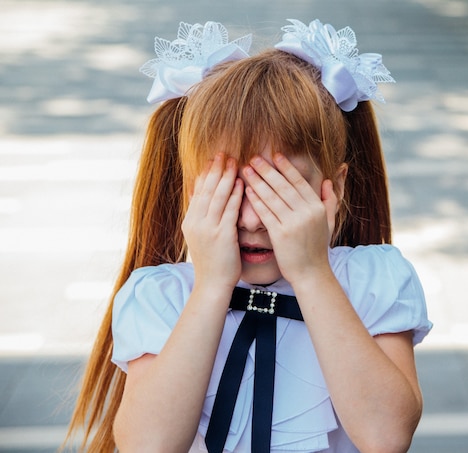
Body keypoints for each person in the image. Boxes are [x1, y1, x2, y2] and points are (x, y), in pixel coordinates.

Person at [66, 19, 432, 453]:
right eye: (230, 191)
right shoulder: (160, 298)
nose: (254, 220)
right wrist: (210, 288)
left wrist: (313, 275)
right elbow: (149, 446)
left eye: (278, 190)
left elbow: (386, 437)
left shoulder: (374, 281)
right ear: (192, 193)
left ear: (334, 188)